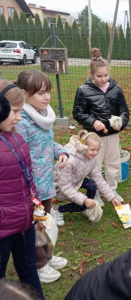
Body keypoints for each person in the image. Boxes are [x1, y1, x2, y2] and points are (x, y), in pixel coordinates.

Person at [15, 70, 68, 283]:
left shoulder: (45, 115)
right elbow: (17, 155)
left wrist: (61, 151)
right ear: (24, 94)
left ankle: (47, 256)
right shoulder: (22, 122)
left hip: (45, 182)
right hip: (31, 187)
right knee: (35, 226)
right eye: (40, 93)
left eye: (48, 92)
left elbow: (48, 144)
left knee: (45, 222)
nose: (46, 97)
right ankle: (38, 266)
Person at [0, 80, 44, 300]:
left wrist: (35, 207)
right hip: (3, 228)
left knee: (28, 269)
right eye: (15, 111)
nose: (19, 117)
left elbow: (28, 178)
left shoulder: (17, 137)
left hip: (24, 223)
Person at [73, 48, 129, 203]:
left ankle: (112, 189)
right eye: (99, 76)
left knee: (113, 163)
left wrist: (121, 123)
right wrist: (92, 122)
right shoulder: (83, 91)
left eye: (106, 75)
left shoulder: (116, 89)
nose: (103, 79)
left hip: (113, 134)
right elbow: (78, 113)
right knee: (95, 165)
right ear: (91, 75)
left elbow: (124, 110)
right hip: (94, 137)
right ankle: (95, 192)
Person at [50, 130, 121, 226]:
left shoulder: (91, 158)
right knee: (84, 203)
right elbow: (65, 187)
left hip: (75, 181)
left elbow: (98, 179)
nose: (96, 153)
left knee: (92, 185)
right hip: (60, 188)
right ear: (83, 147)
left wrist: (112, 197)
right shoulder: (69, 160)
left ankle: (85, 208)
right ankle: (57, 210)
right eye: (92, 149)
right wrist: (84, 200)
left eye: (97, 149)